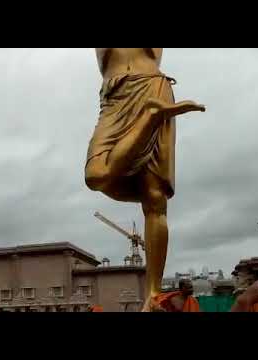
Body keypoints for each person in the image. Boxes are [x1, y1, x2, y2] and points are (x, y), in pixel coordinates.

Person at [84, 48, 205, 311]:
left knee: (154, 197)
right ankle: (153, 116)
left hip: (151, 85)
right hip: (115, 94)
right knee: (96, 175)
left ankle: (153, 293)